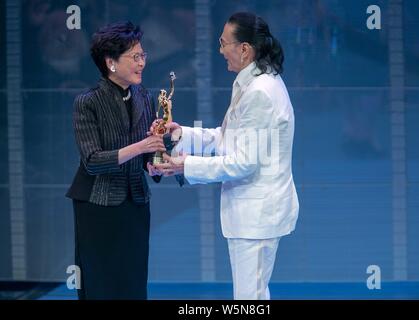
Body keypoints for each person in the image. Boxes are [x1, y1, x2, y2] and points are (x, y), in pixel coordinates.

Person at [153, 12, 299, 300]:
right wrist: (182, 133)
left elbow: (243, 162)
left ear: (244, 49)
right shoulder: (250, 82)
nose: (220, 51)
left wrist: (185, 165)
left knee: (249, 300)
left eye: (223, 44)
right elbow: (226, 137)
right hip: (252, 213)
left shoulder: (260, 92)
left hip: (258, 214)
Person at [66, 21, 166, 300]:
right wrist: (142, 146)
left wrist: (158, 160)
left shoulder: (144, 97)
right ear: (110, 63)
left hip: (135, 201)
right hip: (98, 203)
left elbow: (147, 153)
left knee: (133, 280)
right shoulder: (88, 102)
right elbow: (93, 161)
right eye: (134, 57)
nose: (142, 63)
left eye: (143, 55)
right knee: (101, 281)